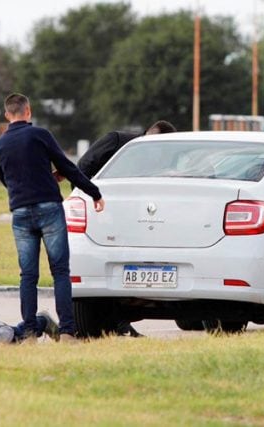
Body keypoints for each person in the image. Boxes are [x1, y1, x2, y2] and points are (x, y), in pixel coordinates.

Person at [0, 93, 104, 343]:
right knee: (60, 271)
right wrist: (94, 192)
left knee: (27, 275)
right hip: (49, 209)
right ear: (28, 111)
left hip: (20, 212)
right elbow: (67, 167)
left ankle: (30, 333)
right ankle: (66, 332)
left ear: (7, 115)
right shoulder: (40, 135)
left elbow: (7, 180)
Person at [75, 119, 175, 337]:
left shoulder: (159, 159)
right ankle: (117, 323)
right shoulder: (117, 141)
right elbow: (83, 166)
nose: (156, 153)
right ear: (147, 133)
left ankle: (119, 322)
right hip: (100, 211)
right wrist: (90, 197)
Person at [76, 120, 176, 180]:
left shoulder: (158, 162)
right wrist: (87, 192)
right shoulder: (116, 140)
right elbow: (84, 164)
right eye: (161, 148)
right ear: (151, 135)